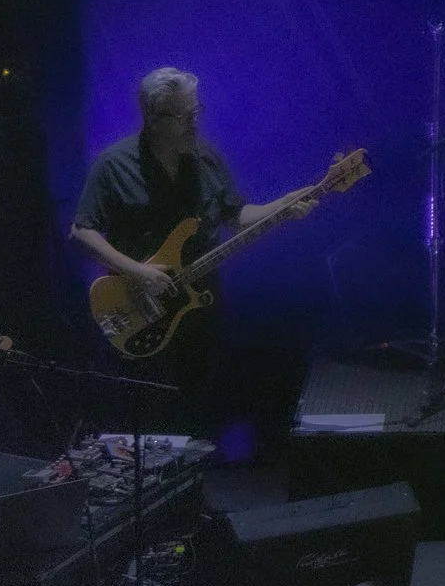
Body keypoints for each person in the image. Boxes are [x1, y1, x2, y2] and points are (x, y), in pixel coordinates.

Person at [69, 68, 313, 432]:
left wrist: (281, 206)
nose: (194, 124)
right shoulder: (113, 165)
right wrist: (138, 272)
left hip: (200, 308)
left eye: (197, 112)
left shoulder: (206, 158)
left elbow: (237, 215)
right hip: (139, 309)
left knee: (198, 417)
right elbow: (82, 232)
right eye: (183, 117)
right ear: (153, 119)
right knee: (149, 421)